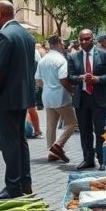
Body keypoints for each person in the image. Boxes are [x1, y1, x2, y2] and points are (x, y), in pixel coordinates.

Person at [0, 0, 37, 199]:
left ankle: (13, 186)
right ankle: (25, 183)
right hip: (22, 97)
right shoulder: (27, 35)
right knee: (20, 141)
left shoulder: (4, 35)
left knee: (9, 143)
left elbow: (0, 71)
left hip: (6, 99)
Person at [68, 32, 106, 170]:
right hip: (82, 98)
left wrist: (98, 79)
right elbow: (70, 77)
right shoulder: (73, 56)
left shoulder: (103, 54)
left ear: (92, 39)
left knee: (100, 130)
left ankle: (102, 160)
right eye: (81, 39)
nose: (83, 42)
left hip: (98, 98)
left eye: (86, 39)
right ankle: (88, 159)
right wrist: (80, 78)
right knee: (84, 130)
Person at [35, 35, 76, 163]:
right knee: (72, 123)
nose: (63, 45)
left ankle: (51, 152)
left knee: (51, 124)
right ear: (58, 43)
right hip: (61, 96)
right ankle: (57, 145)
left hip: (47, 95)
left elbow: (38, 81)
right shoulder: (61, 60)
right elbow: (63, 79)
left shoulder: (43, 60)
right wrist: (72, 90)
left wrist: (47, 86)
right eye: (62, 42)